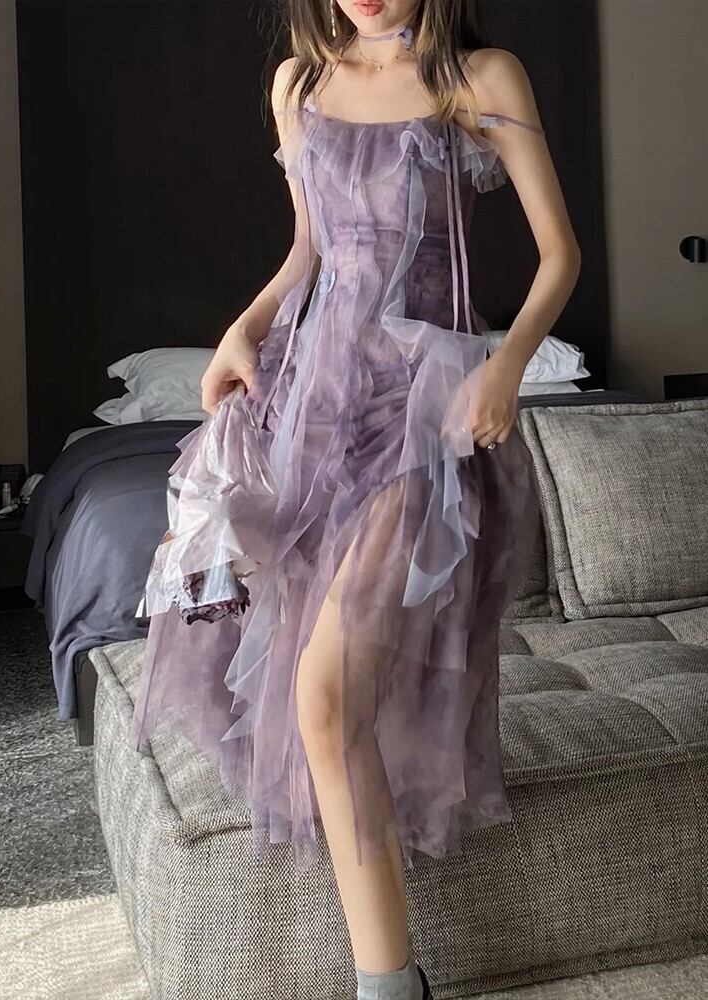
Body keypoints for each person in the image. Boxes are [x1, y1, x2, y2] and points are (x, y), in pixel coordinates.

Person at [129, 1, 581, 998]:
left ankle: (388, 987)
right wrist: (242, 330)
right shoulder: (299, 84)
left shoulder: (480, 79)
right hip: (314, 408)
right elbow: (311, 253)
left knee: (323, 693)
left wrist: (507, 365)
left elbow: (560, 254)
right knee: (318, 696)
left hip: (421, 417)